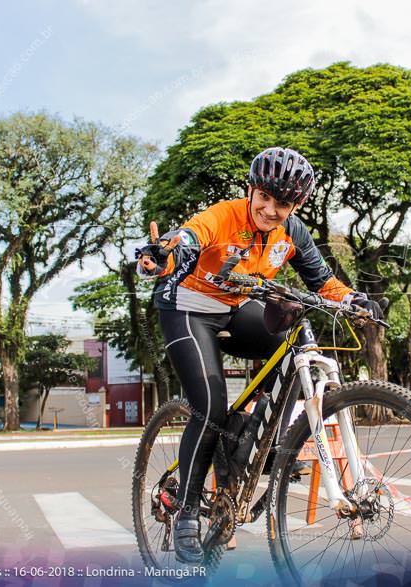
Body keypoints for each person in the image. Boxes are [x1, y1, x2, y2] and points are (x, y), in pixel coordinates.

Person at [136, 147, 383, 563]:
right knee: (210, 406)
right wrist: (163, 253)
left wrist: (355, 298)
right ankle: (187, 513)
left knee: (293, 346)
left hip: (234, 307)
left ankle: (249, 440)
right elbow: (188, 237)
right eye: (263, 197)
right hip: (187, 307)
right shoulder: (223, 215)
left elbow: (322, 280)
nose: (269, 210)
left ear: (296, 204)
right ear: (250, 189)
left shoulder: (293, 233)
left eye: (282, 203)